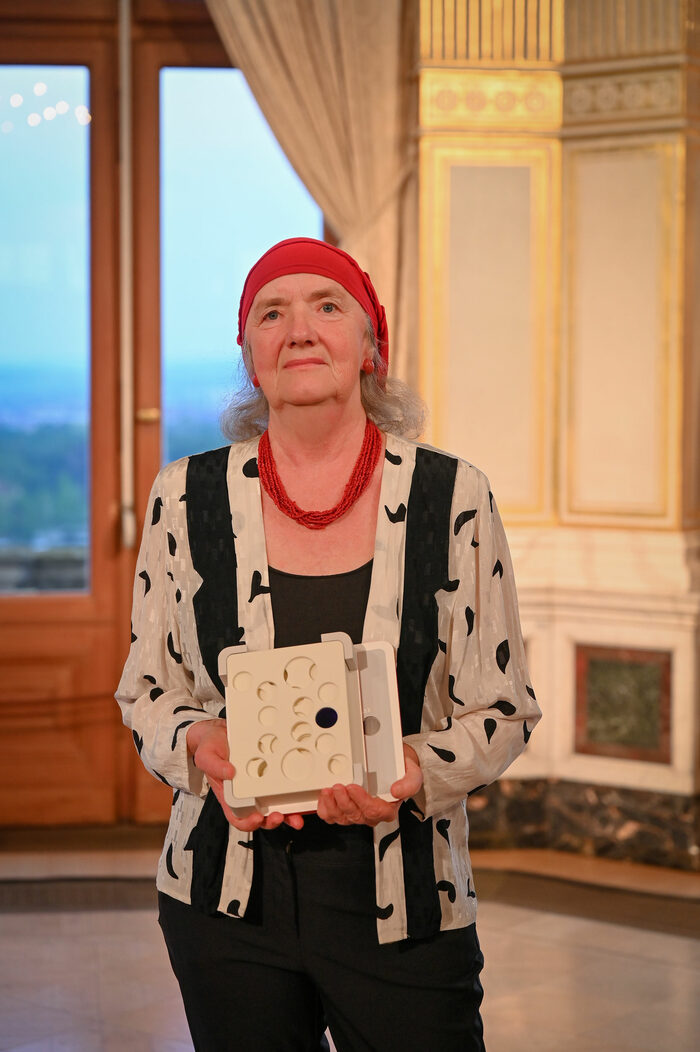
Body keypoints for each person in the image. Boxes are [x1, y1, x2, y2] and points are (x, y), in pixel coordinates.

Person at [116, 237, 541, 1052]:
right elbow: (146, 690)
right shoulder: (184, 496)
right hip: (223, 898)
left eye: (326, 306)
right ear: (250, 353)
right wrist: (201, 741)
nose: (299, 330)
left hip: (407, 902)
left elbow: (504, 708)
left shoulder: (454, 495)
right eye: (271, 313)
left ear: (371, 342)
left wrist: (412, 768)